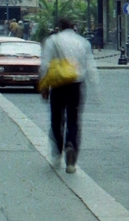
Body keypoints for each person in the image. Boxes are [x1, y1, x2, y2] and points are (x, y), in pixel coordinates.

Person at [39, 17, 98, 172]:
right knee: (74, 119)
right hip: (76, 85)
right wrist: (94, 87)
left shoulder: (53, 41)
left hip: (57, 85)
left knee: (56, 119)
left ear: (59, 27)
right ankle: (71, 147)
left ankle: (58, 150)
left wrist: (43, 85)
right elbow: (90, 65)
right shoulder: (83, 42)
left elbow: (45, 64)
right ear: (74, 27)